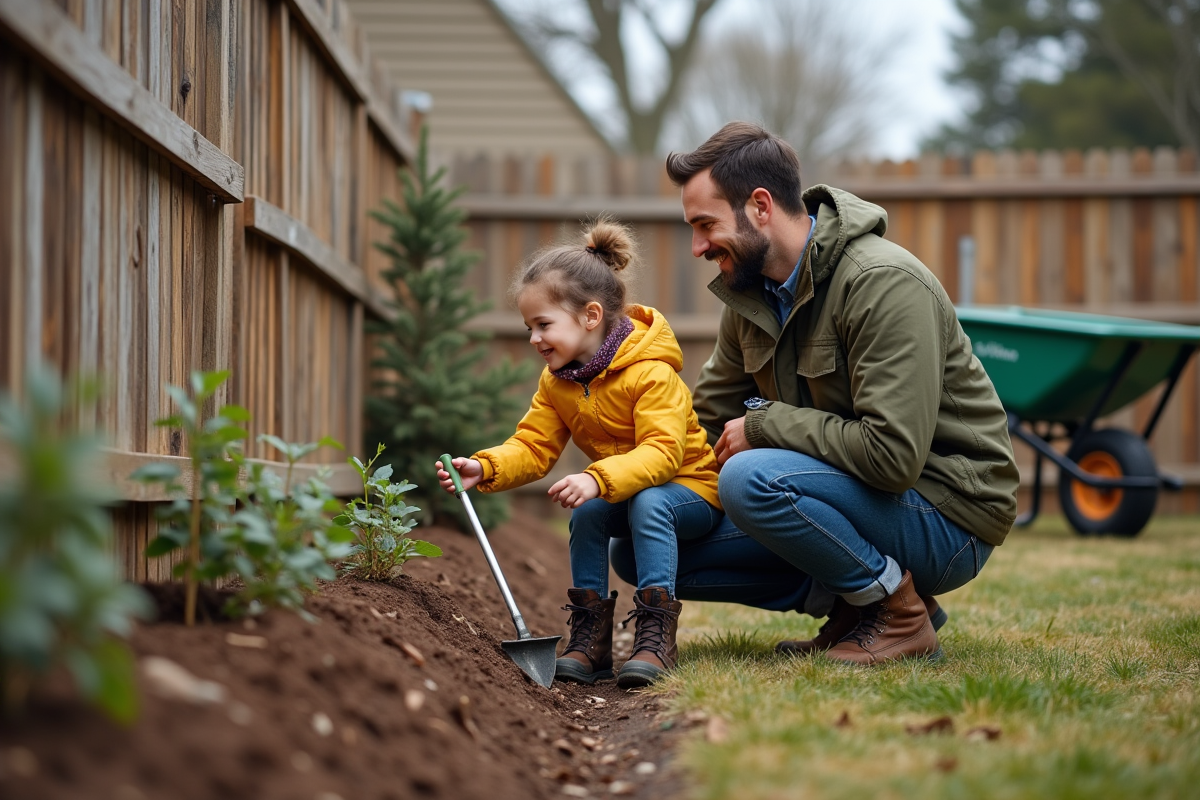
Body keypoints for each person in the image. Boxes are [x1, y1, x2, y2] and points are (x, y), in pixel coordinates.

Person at [610, 122, 1019, 665]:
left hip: (947, 512)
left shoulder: (882, 283)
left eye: (706, 225)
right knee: (638, 541)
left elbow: (893, 457)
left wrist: (762, 425)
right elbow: (703, 423)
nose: (697, 246)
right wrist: (624, 473)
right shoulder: (751, 300)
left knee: (748, 477)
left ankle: (899, 612)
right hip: (850, 498)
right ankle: (856, 602)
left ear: (759, 206)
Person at [436, 219, 722, 687]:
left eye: (543, 325)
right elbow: (533, 445)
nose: (533, 339)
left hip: (688, 491)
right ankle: (590, 641)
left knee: (648, 500)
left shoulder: (651, 373)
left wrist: (598, 478)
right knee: (589, 513)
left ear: (590, 316)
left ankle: (656, 638)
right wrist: (484, 466)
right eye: (529, 326)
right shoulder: (560, 381)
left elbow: (664, 452)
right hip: (625, 488)